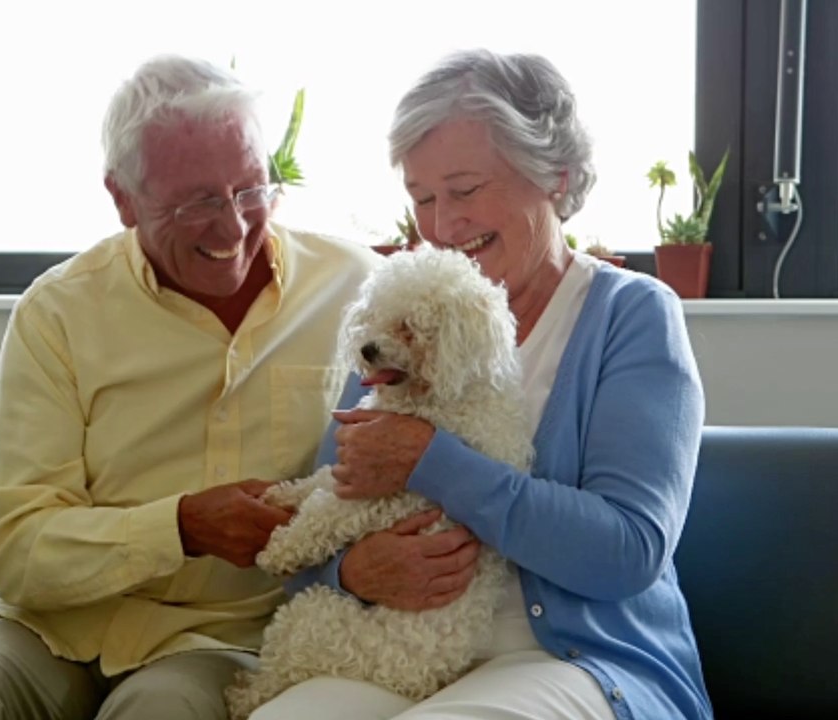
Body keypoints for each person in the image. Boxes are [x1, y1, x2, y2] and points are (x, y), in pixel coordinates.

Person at [0, 55, 378, 720]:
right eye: (198, 202)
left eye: (250, 189)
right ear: (123, 199)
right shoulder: (58, 313)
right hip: (54, 627)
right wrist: (181, 527)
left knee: (162, 710)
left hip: (226, 640)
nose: (233, 227)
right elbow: (18, 548)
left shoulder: (356, 290)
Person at [251, 49, 713, 720]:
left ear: (554, 175)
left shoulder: (630, 315)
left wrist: (432, 463)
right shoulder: (406, 318)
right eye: (422, 199)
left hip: (578, 661)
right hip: (398, 652)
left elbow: (626, 552)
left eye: (464, 190)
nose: (442, 226)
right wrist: (351, 571)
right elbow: (321, 523)